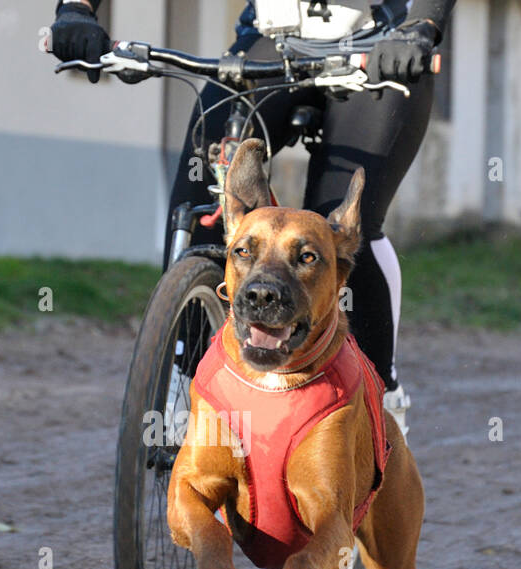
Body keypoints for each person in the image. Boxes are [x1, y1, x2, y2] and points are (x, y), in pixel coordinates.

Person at [50, 0, 454, 436]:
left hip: (379, 43)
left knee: (336, 231)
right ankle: (183, 377)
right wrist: (76, 8)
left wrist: (421, 25)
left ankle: (381, 395)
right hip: (272, 39)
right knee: (200, 198)